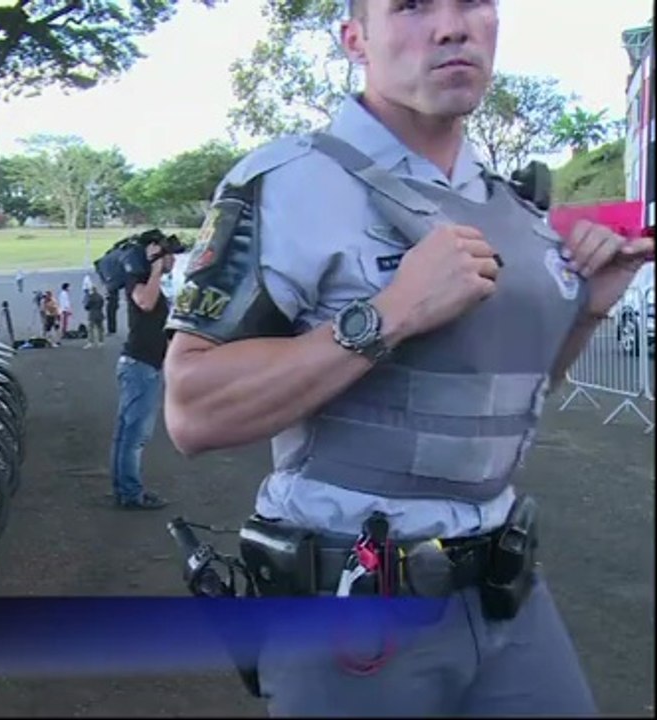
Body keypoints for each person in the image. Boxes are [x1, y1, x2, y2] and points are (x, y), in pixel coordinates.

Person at [163, 0, 652, 715]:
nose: (451, 27)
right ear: (354, 38)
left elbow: (507, 396)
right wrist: (390, 315)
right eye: (413, 5)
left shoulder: (510, 210)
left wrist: (590, 309)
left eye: (473, 4)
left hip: (504, 591)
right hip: (354, 612)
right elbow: (191, 409)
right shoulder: (289, 183)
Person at [110, 241, 175, 509]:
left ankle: (125, 489)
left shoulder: (149, 282)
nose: (174, 260)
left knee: (126, 434)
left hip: (144, 366)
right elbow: (146, 304)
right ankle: (131, 493)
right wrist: (157, 268)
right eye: (169, 255)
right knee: (134, 436)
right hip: (140, 367)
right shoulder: (137, 281)